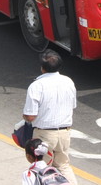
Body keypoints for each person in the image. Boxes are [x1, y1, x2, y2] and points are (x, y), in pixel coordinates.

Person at [23, 49, 77, 185]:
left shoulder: (36, 86)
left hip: (44, 135)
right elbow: (73, 105)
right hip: (65, 132)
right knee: (63, 166)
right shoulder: (68, 82)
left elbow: (30, 116)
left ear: (42, 68)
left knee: (42, 170)